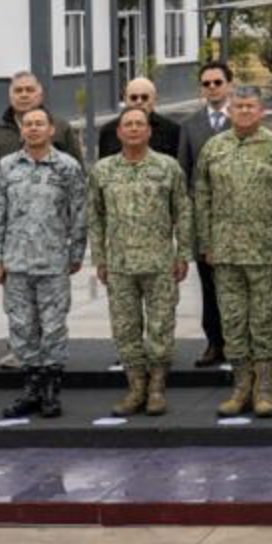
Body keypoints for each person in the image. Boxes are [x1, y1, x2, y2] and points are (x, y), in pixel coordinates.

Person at [194, 86, 272, 419]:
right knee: (233, 322)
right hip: (225, 252)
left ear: (261, 111)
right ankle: (241, 386)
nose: (243, 111)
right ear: (229, 111)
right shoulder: (214, 148)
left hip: (265, 252)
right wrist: (206, 243)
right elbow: (202, 198)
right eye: (238, 106)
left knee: (263, 320)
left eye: (250, 106)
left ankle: (264, 388)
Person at [0, 107, 88, 420]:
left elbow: (79, 213)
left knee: (53, 328)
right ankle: (31, 389)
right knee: (22, 328)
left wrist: (76, 254)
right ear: (21, 130)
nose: (33, 128)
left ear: (51, 129)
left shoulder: (67, 167)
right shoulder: (7, 166)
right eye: (27, 124)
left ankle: (51, 390)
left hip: (54, 262)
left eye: (40, 123)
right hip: (16, 264)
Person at [87, 105, 192, 417]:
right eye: (128, 124)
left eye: (139, 124)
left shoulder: (168, 167)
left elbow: (183, 212)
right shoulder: (103, 170)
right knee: (125, 328)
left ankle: (157, 388)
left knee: (161, 327)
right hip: (119, 265)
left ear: (149, 131)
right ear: (119, 132)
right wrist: (100, 258)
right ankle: (135, 388)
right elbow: (95, 217)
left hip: (160, 263)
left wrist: (183, 254)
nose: (133, 129)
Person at [178, 60, 237, 368]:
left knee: (238, 286)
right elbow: (184, 174)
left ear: (229, 85)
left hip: (238, 221)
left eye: (217, 82)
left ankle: (240, 343)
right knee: (209, 286)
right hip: (205, 222)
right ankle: (214, 343)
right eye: (207, 83)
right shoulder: (189, 125)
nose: (212, 88)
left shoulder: (242, 119)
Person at [0, 70, 85, 169]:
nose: (24, 95)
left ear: (40, 94)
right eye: (18, 91)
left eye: (30, 90)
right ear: (10, 96)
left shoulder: (60, 127)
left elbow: (78, 171)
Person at [97, 76, 184, 161]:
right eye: (133, 98)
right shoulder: (108, 131)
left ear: (154, 99)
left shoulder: (172, 131)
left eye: (144, 97)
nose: (139, 102)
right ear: (125, 99)